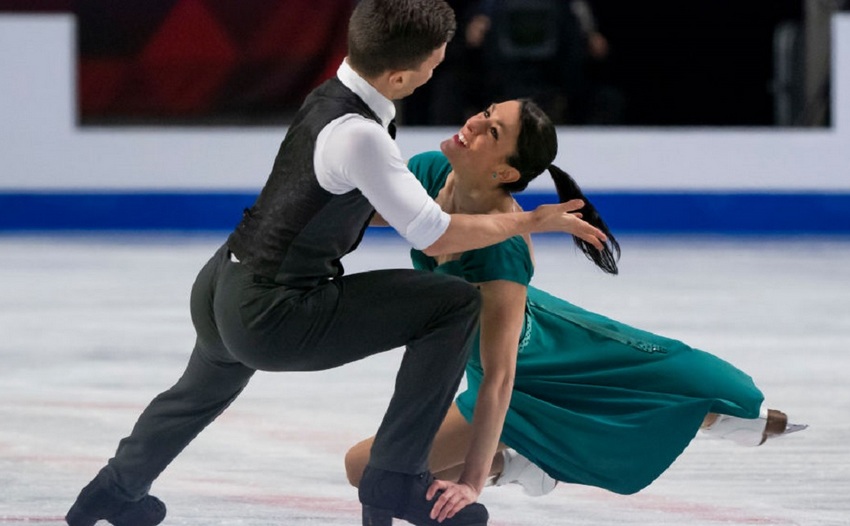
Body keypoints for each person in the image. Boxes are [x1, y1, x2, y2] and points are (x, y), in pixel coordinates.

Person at [63, 2, 610, 526]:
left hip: (222, 281)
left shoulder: (333, 96)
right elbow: (434, 235)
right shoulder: (362, 135)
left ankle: (112, 492)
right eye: (432, 65)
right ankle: (396, 475)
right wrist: (529, 222)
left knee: (195, 394)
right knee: (452, 306)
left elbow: (352, 209)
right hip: (270, 312)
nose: (436, 72)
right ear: (399, 77)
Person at [344, 98, 807, 513]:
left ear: (505, 173)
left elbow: (500, 377)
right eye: (485, 113)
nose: (474, 124)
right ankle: (524, 463)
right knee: (374, 471)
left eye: (493, 131)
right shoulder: (429, 172)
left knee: (366, 469)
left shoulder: (501, 253)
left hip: (527, 367)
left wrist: (471, 484)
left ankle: (720, 412)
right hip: (498, 352)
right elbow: (377, 214)